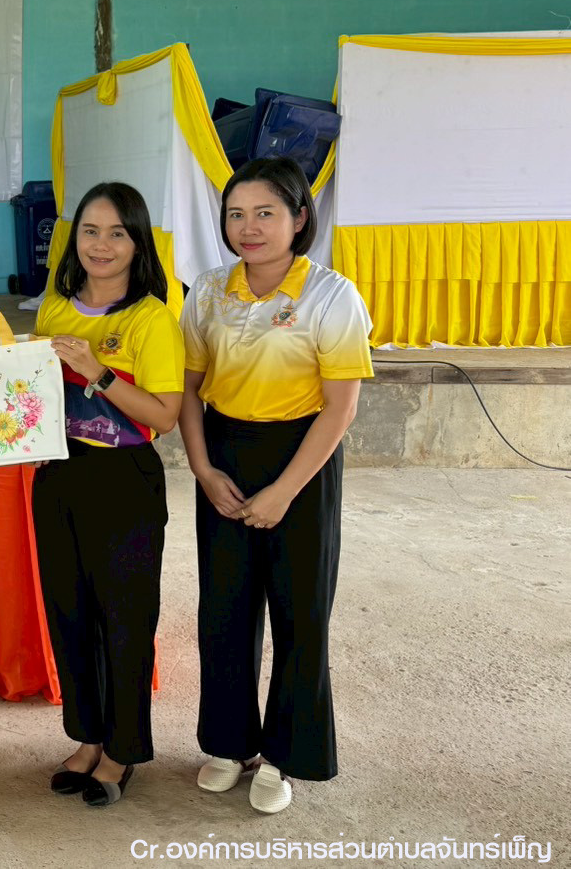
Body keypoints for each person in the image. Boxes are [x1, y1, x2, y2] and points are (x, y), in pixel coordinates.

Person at [178, 157, 373, 815]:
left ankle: (285, 754)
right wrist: (203, 469)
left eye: (265, 213)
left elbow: (340, 407)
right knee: (224, 609)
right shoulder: (208, 291)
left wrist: (285, 491)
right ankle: (228, 744)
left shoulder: (330, 295)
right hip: (224, 454)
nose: (249, 227)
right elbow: (189, 390)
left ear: (298, 218)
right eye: (236, 214)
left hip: (302, 461)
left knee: (299, 611)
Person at [32, 182, 183, 808]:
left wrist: (98, 372)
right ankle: (88, 737)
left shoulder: (151, 318)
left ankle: (123, 750)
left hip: (124, 479)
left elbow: (164, 415)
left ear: (138, 243)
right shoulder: (54, 308)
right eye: (89, 231)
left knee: (124, 619)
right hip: (58, 475)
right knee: (70, 615)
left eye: (117, 233)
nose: (101, 245)